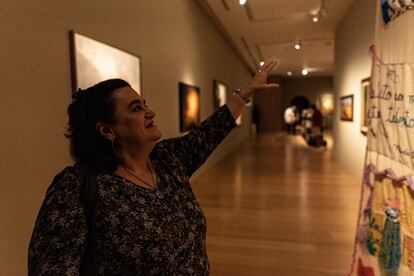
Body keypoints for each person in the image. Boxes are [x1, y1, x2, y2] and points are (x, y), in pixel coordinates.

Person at [28, 60, 279, 275]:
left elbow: (209, 132)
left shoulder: (166, 159)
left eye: (144, 104)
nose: (151, 112)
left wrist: (244, 93)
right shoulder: (75, 188)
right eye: (137, 108)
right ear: (107, 130)